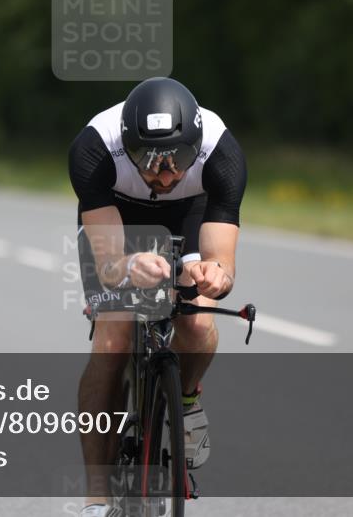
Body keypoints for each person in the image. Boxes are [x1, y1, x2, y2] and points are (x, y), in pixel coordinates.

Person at [68, 77, 247, 517]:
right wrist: (129, 266)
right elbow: (110, 263)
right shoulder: (93, 149)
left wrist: (212, 275)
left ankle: (185, 398)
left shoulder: (221, 154)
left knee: (199, 319)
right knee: (111, 343)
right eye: (150, 163)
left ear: (195, 144)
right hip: (118, 219)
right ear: (127, 145)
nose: (165, 174)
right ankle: (96, 498)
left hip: (190, 213)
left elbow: (223, 265)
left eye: (177, 161)